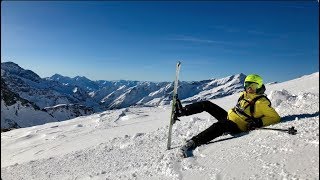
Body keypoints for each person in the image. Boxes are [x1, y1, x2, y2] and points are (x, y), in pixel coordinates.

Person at [175, 74, 281, 155]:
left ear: (258, 86)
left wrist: (259, 122)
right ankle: (182, 111)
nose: (249, 88)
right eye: (247, 85)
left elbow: (275, 117)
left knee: (220, 125)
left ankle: (193, 142)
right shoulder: (245, 95)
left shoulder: (261, 102)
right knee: (207, 104)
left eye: (252, 86)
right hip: (229, 117)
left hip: (238, 126)